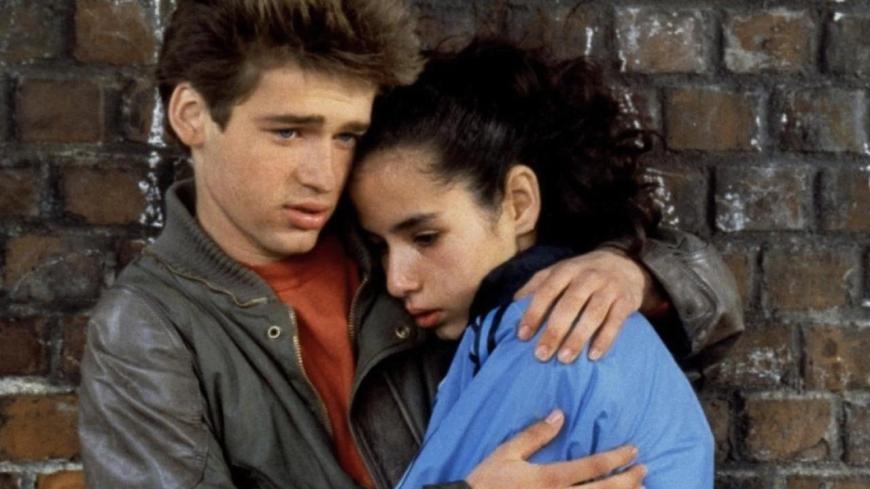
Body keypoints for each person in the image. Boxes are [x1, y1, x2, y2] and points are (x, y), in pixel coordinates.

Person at [77, 1, 743, 488]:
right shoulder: (147, 330)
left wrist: (633, 272)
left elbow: (707, 313)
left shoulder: (386, 231)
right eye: (288, 132)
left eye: (345, 134)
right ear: (192, 116)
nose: (322, 174)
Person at [349, 41, 714, 488]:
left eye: (426, 237)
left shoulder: (551, 338)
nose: (397, 281)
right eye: (380, 247)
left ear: (519, 203)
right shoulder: (524, 331)